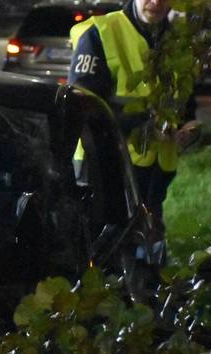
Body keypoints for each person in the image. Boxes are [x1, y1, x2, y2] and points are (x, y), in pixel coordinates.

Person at [68, 0, 199, 225]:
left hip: (155, 178)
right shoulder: (102, 33)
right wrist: (147, 124)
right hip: (104, 167)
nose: (156, 2)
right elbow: (82, 107)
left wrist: (190, 130)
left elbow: (186, 106)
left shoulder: (178, 43)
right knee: (104, 251)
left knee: (146, 251)